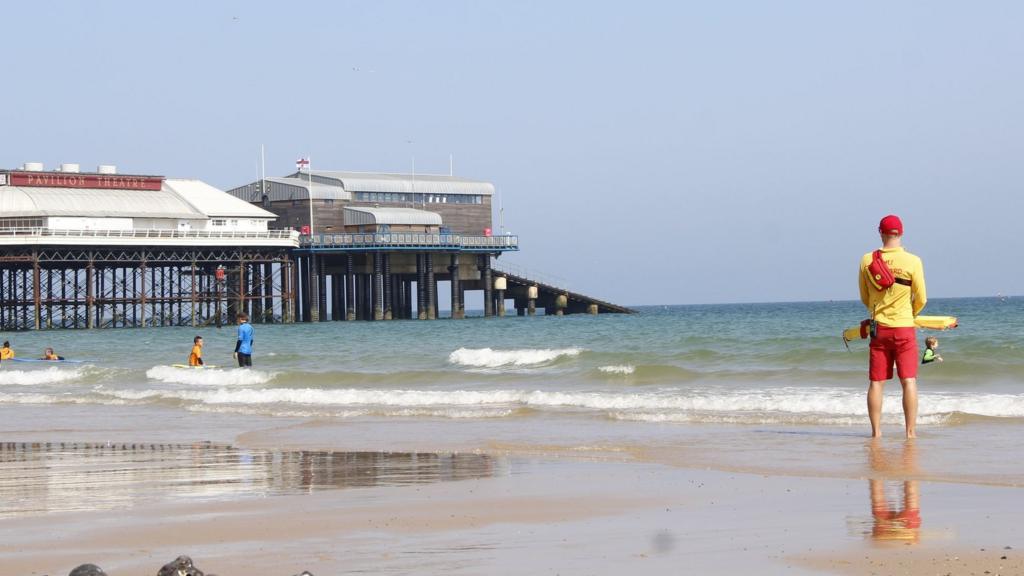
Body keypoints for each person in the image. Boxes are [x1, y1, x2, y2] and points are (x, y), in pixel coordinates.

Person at [860, 214, 927, 438]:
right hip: (905, 328)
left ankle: (876, 433)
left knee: (876, 383)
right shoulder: (913, 261)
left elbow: (864, 297)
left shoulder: (867, 260)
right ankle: (910, 433)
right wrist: (911, 314)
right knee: (908, 380)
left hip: (879, 329)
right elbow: (922, 298)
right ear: (901, 233)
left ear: (880, 232)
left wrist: (879, 308)